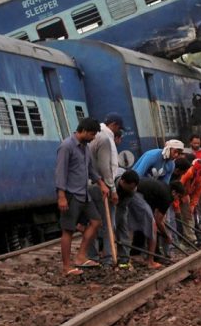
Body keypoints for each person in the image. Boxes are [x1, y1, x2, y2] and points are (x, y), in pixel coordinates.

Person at [55, 118, 110, 276]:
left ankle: (80, 256)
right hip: (70, 194)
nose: (93, 138)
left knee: (96, 221)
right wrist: (61, 196)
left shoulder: (85, 148)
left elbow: (90, 169)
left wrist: (101, 184)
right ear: (84, 131)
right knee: (68, 231)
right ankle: (66, 267)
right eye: (92, 134)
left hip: (84, 194)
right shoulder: (67, 147)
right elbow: (60, 172)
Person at [87, 113, 124, 265]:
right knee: (109, 224)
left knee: (93, 222)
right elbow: (105, 167)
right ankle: (109, 257)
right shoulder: (105, 139)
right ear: (114, 125)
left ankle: (93, 256)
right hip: (102, 186)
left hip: (90, 184)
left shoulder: (96, 136)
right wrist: (112, 189)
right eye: (119, 128)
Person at [128, 178, 184, 268]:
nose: (178, 199)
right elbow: (158, 221)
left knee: (144, 224)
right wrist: (166, 236)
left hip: (136, 193)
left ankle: (136, 253)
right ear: (174, 192)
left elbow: (157, 215)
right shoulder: (167, 197)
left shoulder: (164, 188)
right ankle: (151, 261)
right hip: (136, 194)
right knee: (152, 226)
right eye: (179, 196)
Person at [177, 158, 201, 241]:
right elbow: (178, 186)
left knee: (189, 215)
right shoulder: (187, 174)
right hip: (178, 195)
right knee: (177, 216)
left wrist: (192, 205)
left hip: (186, 196)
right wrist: (178, 201)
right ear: (197, 169)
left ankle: (191, 237)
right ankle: (185, 238)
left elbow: (196, 194)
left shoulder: (199, 178)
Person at [112, 170, 140, 268]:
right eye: (130, 187)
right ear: (122, 182)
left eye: (133, 188)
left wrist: (116, 223)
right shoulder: (112, 182)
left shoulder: (132, 190)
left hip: (121, 205)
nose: (132, 189)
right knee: (108, 228)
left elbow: (121, 208)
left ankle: (124, 258)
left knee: (122, 228)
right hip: (106, 201)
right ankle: (105, 256)